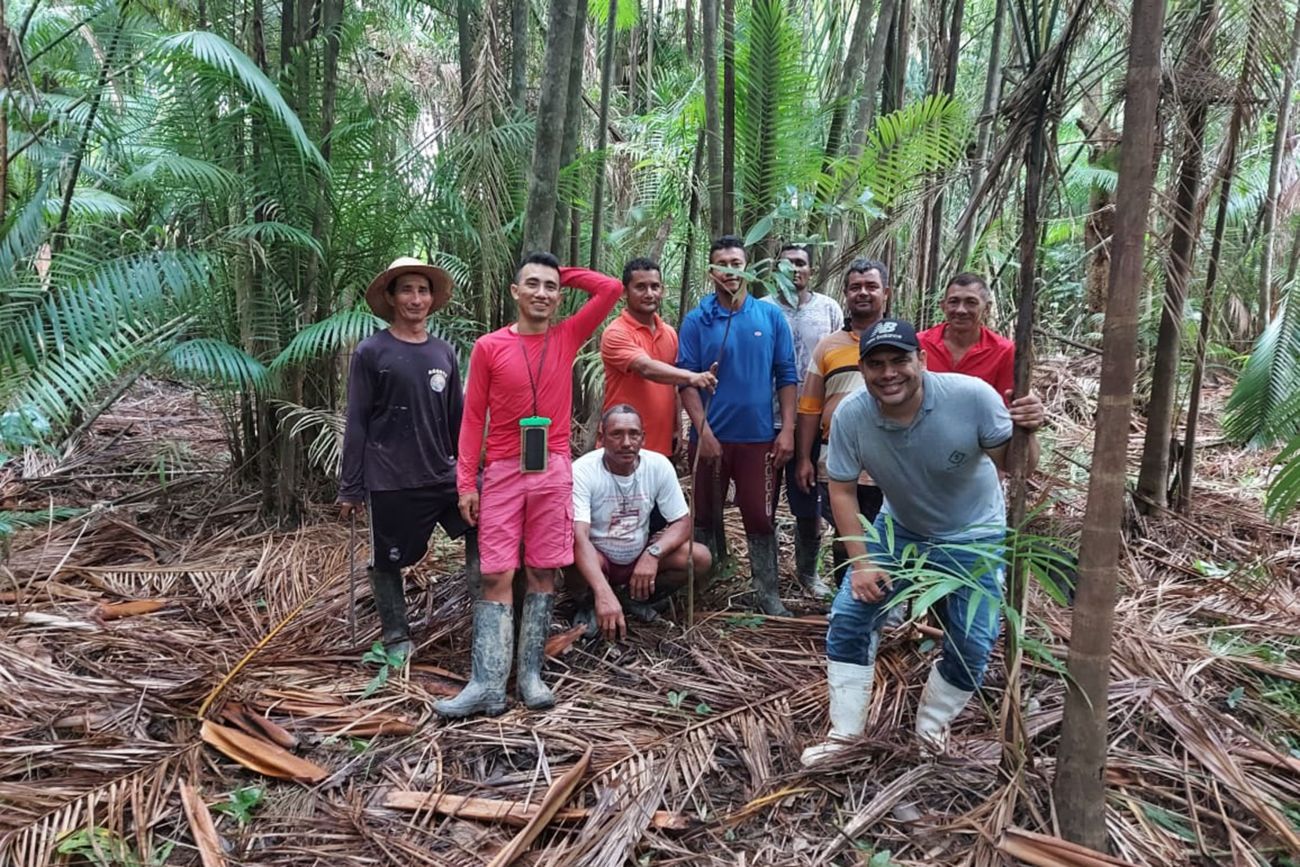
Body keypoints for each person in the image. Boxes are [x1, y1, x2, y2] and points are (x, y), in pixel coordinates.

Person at [801, 319, 1045, 766]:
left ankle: (930, 728)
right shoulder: (853, 415)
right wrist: (861, 562)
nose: (889, 373)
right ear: (863, 369)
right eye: (876, 364)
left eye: (899, 360)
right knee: (851, 616)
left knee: (974, 640)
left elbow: (1016, 465)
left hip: (974, 532)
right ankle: (846, 733)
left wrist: (1029, 429)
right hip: (902, 529)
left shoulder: (972, 398)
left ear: (922, 360)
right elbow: (841, 488)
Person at [437, 253, 622, 719]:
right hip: (501, 470)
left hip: (553, 470)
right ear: (514, 292)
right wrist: (466, 482)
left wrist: (564, 271)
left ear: (559, 296)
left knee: (543, 572)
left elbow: (611, 290)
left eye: (550, 287)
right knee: (496, 573)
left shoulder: (568, 335)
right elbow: (473, 418)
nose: (541, 293)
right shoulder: (489, 347)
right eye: (532, 285)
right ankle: (486, 684)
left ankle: (531, 676)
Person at [338, 256, 476, 662]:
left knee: (481, 526)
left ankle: (483, 611)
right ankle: (396, 633)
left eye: (423, 290)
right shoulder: (371, 351)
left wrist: (471, 472)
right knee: (387, 559)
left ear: (432, 299)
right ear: (392, 298)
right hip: (391, 476)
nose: (416, 299)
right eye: (407, 290)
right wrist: (351, 486)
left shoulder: (444, 353)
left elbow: (458, 420)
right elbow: (358, 420)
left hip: (443, 474)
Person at [677, 235, 799, 617]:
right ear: (712, 271)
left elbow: (786, 374)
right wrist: (705, 433)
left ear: (746, 267)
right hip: (710, 439)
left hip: (758, 438)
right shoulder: (699, 319)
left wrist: (788, 430)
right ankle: (707, 586)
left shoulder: (769, 316)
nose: (730, 270)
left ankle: (767, 593)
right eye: (722, 264)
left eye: (736, 262)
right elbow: (686, 380)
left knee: (760, 515)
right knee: (706, 514)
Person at [567, 405, 712, 640]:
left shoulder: (658, 466)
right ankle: (590, 602)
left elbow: (682, 521)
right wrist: (602, 592)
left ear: (643, 438)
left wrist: (653, 554)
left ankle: (633, 598)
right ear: (601, 439)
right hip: (598, 557)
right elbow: (578, 537)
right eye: (617, 434)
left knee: (699, 557)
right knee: (571, 556)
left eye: (633, 434)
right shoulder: (583, 471)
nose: (626, 442)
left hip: (637, 555)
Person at [793, 260, 890, 588]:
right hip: (834, 460)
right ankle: (844, 599)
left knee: (882, 532)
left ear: (885, 293)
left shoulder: (903, 344)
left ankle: (880, 604)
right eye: (855, 287)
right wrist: (804, 458)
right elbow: (809, 407)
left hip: (889, 462)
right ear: (846, 294)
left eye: (871, 286)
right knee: (845, 530)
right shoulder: (828, 346)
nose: (863, 292)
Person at [761, 244, 843, 599]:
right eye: (787, 263)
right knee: (761, 505)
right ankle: (766, 580)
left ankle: (809, 573)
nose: (795, 269)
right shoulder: (761, 308)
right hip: (764, 422)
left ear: (812, 269)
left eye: (801, 263)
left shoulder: (828, 309)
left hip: (811, 422)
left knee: (810, 504)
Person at [600, 258, 718, 458]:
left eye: (654, 287)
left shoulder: (669, 333)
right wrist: (692, 376)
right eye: (640, 287)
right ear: (624, 292)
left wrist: (677, 427)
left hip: (662, 446)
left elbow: (672, 386)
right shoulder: (616, 333)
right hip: (623, 446)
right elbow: (646, 368)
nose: (649, 294)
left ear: (662, 290)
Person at [918, 273, 1015, 401]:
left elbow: (1007, 405)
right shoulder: (919, 343)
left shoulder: (1004, 351)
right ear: (943, 306)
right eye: (954, 302)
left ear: (987, 308)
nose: (961, 310)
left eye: (971, 302)